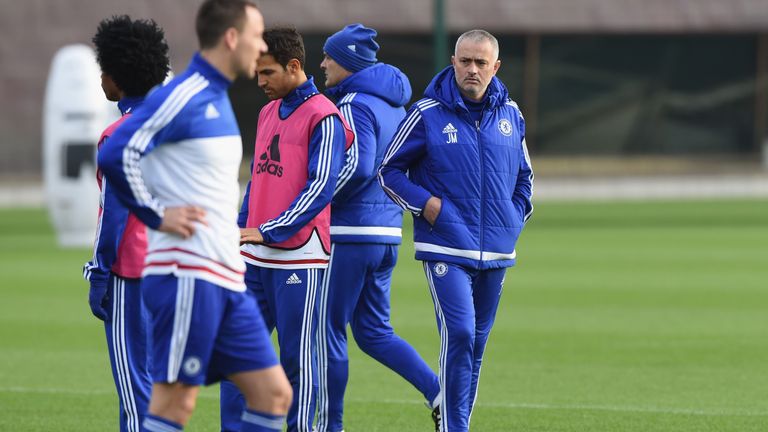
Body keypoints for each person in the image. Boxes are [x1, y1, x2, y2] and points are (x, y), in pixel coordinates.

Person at [98, 1, 293, 431]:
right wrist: (155, 215)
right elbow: (116, 152)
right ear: (230, 38)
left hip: (226, 278)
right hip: (187, 274)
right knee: (174, 406)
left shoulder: (217, 97)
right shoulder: (184, 94)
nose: (261, 47)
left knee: (273, 394)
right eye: (256, 35)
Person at [378, 29, 534, 432]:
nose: (472, 69)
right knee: (461, 333)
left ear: (495, 67)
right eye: (465, 61)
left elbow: (525, 179)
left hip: (497, 250)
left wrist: (513, 219)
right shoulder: (427, 112)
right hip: (445, 246)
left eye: (481, 63)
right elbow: (389, 171)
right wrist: (430, 207)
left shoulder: (511, 114)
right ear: (453, 61)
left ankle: (456, 422)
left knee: (477, 346)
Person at [218, 27, 352, 432]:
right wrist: (240, 228)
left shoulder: (325, 116)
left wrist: (269, 229)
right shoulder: (265, 113)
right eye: (257, 74)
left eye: (267, 73)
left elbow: (321, 187)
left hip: (300, 255)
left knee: (297, 361)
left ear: (294, 66)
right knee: (237, 354)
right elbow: (257, 181)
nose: (260, 83)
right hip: (253, 258)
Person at [314, 23, 440, 432]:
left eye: (329, 56)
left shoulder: (353, 104)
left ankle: (329, 426)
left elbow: (358, 165)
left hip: (350, 233)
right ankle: (440, 393)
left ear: (347, 61)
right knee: (372, 332)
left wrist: (313, 199)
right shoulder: (395, 106)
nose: (323, 63)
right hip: (387, 233)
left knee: (326, 331)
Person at [82, 14, 170, 432]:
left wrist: (99, 272)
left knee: (136, 392)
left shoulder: (118, 136)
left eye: (105, 70)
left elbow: (112, 214)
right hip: (177, 268)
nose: (101, 78)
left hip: (132, 273)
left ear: (118, 75)